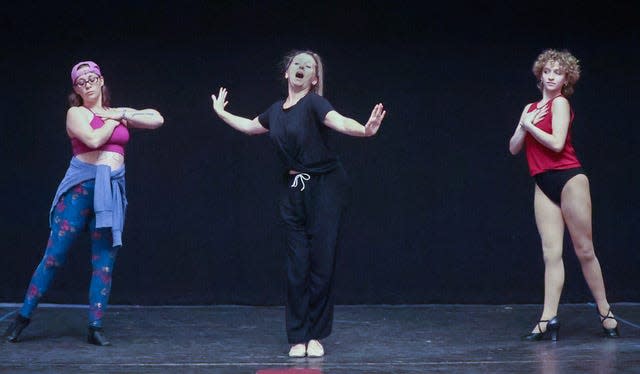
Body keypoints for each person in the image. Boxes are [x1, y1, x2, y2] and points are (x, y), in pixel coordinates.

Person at [211, 50, 385, 357]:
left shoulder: (315, 103)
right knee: (296, 264)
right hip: (293, 189)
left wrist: (364, 130)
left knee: (321, 262)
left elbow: (338, 121)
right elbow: (252, 126)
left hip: (326, 186)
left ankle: (316, 335)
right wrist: (222, 113)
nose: (302, 68)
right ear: (287, 72)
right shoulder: (275, 111)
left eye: (309, 66)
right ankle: (298, 336)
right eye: (297, 64)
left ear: (315, 78)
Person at [4, 60, 164, 346]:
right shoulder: (76, 113)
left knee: (104, 262)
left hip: (111, 190)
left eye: (92, 78)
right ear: (76, 89)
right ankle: (22, 318)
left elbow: (156, 119)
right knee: (54, 257)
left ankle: (95, 326)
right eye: (82, 81)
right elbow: (91, 140)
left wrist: (121, 112)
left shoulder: (118, 111)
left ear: (102, 80)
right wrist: (115, 118)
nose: (88, 83)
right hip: (81, 188)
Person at [509, 49, 619, 341]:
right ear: (540, 74)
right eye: (547, 71)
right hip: (543, 181)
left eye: (557, 72)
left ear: (565, 78)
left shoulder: (560, 103)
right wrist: (524, 122)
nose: (551, 76)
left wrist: (530, 125)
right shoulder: (531, 107)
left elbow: (557, 144)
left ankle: (606, 312)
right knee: (551, 254)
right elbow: (513, 147)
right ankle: (548, 318)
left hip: (569, 178)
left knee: (584, 250)